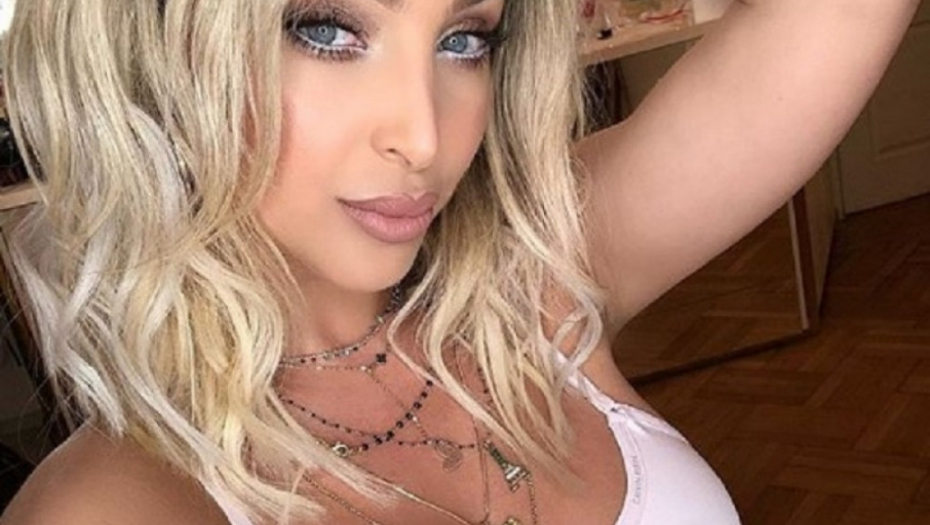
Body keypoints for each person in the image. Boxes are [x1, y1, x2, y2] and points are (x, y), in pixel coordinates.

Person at [0, 0, 920, 524]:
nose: (425, 134)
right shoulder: (120, 504)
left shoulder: (535, 276)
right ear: (150, 47)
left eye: (464, 38)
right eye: (327, 30)